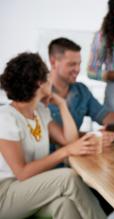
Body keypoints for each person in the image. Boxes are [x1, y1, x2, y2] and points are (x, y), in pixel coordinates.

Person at [0, 52, 106, 219]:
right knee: (68, 177)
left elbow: (69, 141)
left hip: (32, 189)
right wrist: (66, 151)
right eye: (48, 76)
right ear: (39, 83)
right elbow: (22, 173)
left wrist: (63, 105)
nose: (51, 80)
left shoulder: (40, 112)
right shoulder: (5, 117)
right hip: (6, 195)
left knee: (65, 205)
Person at [48, 37, 114, 149]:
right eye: (72, 64)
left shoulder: (81, 90)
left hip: (77, 157)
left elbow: (105, 115)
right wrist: (95, 136)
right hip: (50, 162)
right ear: (53, 62)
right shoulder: (39, 93)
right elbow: (60, 137)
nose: (77, 69)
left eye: (79, 64)